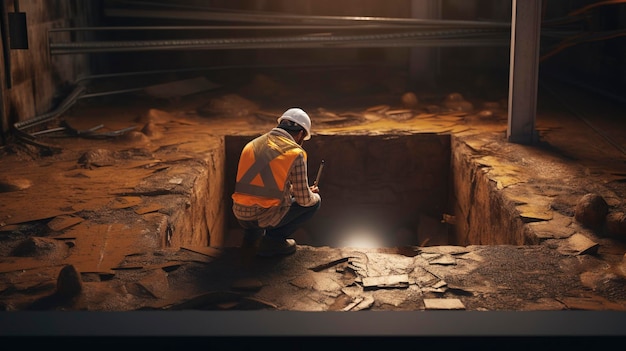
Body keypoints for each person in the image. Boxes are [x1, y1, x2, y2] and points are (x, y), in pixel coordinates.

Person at [231, 107, 321, 257]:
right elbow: (304, 200)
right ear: (300, 134)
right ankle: (273, 241)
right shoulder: (295, 153)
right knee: (314, 203)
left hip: (241, 215)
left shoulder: (252, 145)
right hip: (263, 218)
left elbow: (263, 185)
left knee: (259, 204)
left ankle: (251, 239)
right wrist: (313, 195)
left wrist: (292, 190)